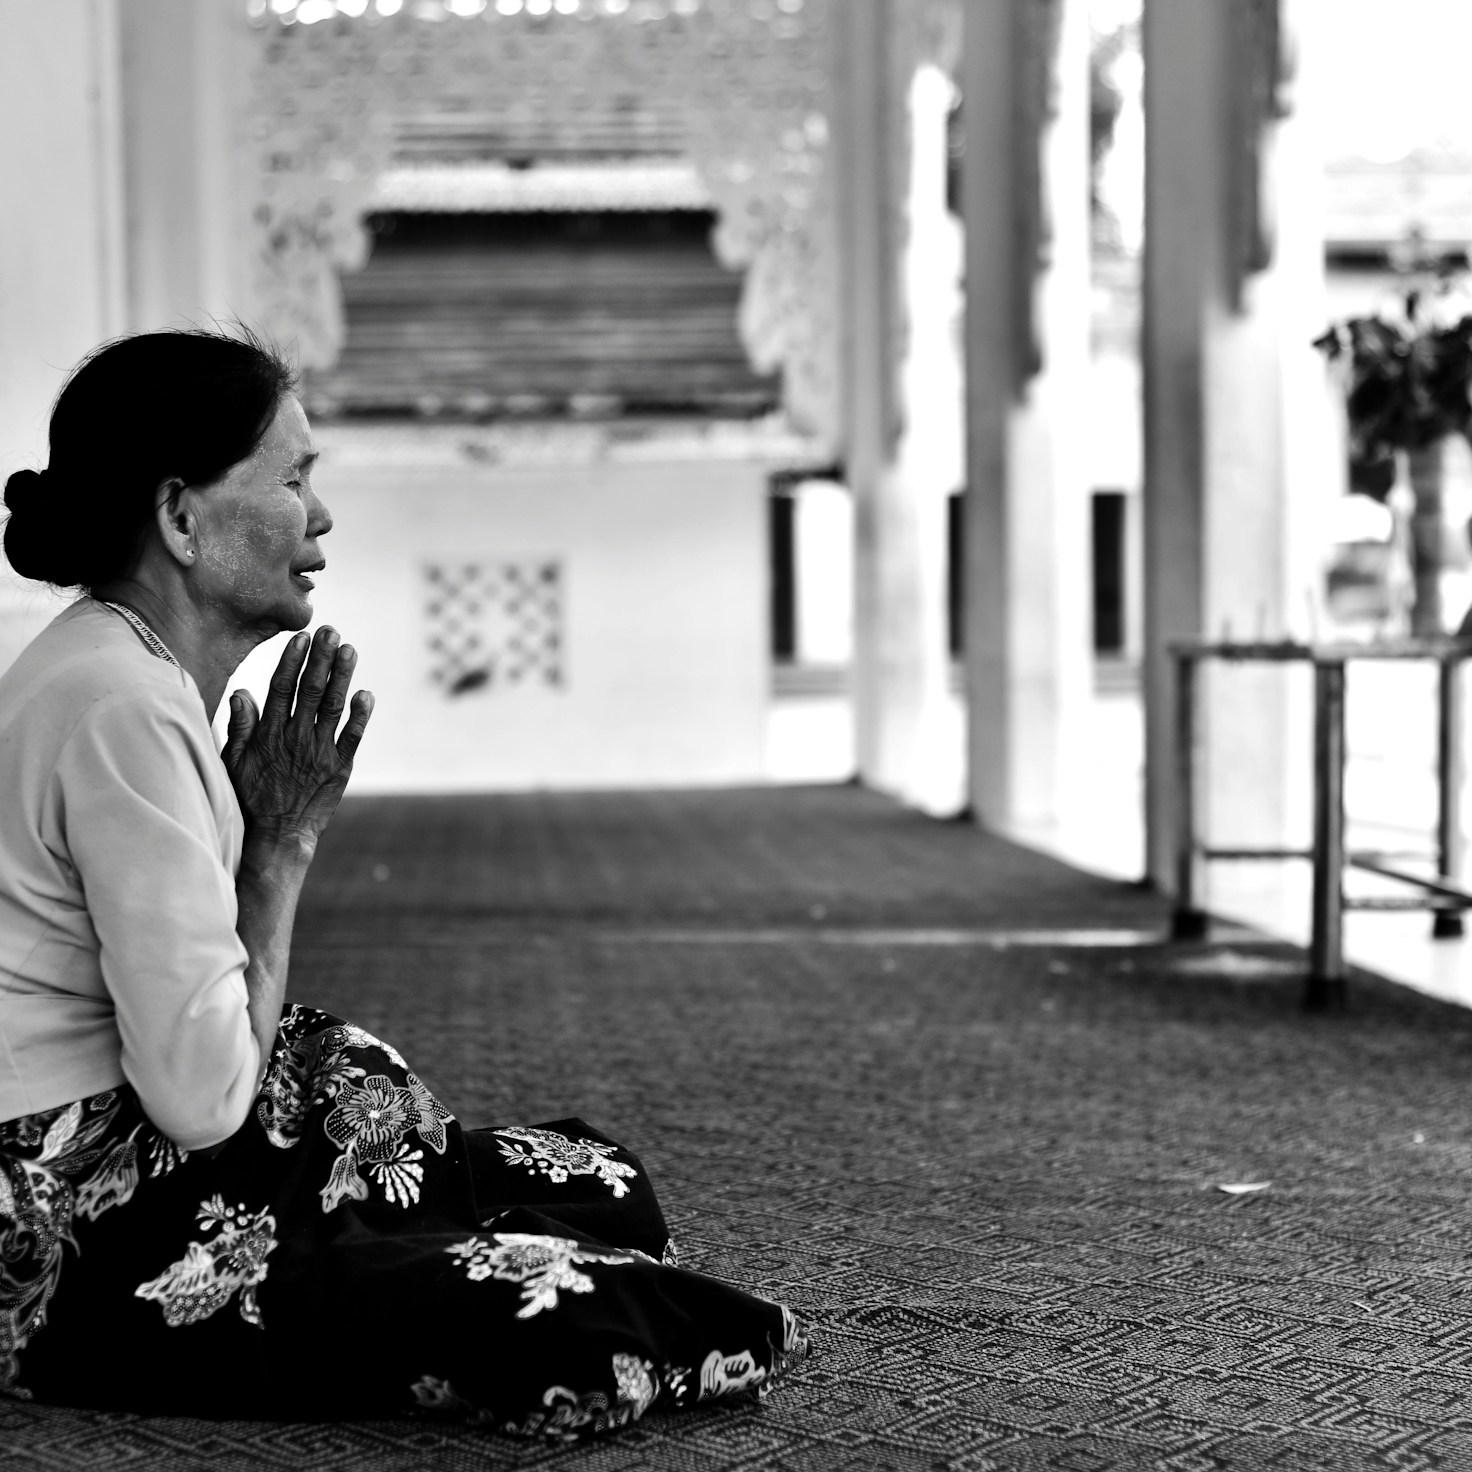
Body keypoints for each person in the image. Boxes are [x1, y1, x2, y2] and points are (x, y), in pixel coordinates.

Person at [0, 329, 806, 1436]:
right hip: (71, 1231)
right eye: (293, 479)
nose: (320, 517)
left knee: (598, 1186)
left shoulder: (120, 672)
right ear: (180, 516)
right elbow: (201, 1102)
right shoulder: (121, 708)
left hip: (136, 1151)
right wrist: (276, 851)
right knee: (570, 1321)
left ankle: (418, 1242)